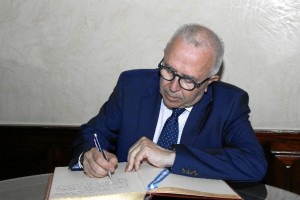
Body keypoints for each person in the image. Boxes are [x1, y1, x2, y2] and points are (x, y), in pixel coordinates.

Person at [69, 23, 267, 181]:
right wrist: (88, 154)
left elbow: (253, 164)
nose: (172, 87)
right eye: (168, 71)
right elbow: (93, 132)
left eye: (188, 80)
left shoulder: (229, 104)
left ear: (210, 82)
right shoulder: (132, 87)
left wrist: (172, 156)